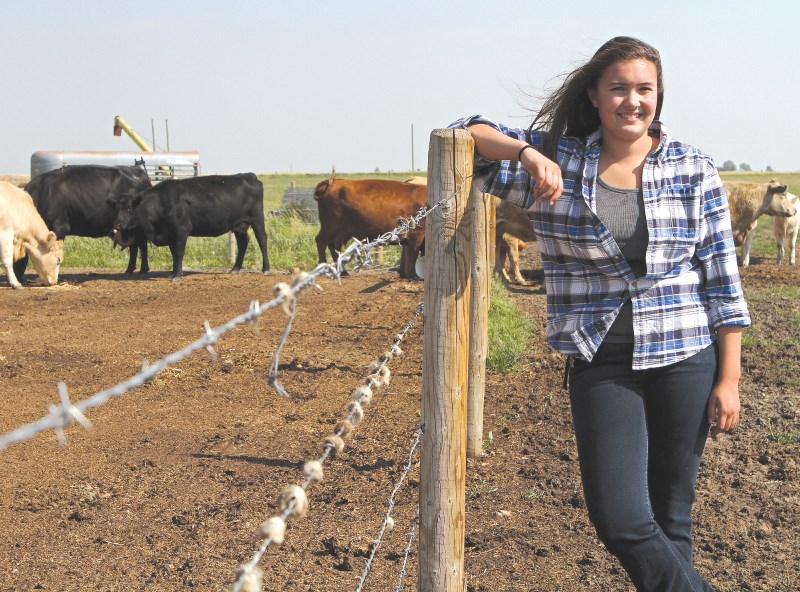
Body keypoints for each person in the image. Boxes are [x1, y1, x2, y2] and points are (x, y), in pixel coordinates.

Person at [451, 36, 750, 591]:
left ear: (659, 96)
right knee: (620, 518)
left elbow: (722, 280)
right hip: (602, 360)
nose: (632, 101)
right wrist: (527, 152)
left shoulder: (692, 168)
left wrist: (728, 377)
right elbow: (461, 134)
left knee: (671, 520)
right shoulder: (558, 159)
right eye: (618, 88)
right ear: (593, 94)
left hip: (687, 355)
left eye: (645, 89)